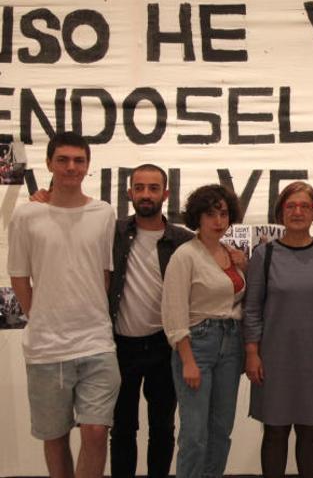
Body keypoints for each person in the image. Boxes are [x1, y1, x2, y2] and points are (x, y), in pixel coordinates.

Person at [8, 131, 119, 478]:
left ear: (87, 166)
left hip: (97, 343)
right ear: (49, 164)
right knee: (54, 437)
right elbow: (19, 277)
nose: (72, 167)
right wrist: (39, 317)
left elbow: (104, 273)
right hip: (46, 348)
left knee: (97, 432)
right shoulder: (27, 216)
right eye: (63, 160)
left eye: (79, 161)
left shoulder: (103, 213)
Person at [243, 181, 313, 478]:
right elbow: (251, 308)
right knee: (274, 431)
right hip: (274, 358)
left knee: (309, 431)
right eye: (290, 206)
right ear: (280, 213)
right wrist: (252, 352)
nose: (297, 211)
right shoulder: (264, 256)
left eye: (304, 206)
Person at [108, 165, 193, 478]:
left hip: (164, 346)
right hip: (119, 345)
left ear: (165, 194)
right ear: (129, 193)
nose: (146, 194)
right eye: (139, 187)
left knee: (162, 428)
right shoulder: (112, 232)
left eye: (153, 188)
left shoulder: (183, 240)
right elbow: (71, 218)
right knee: (122, 429)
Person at [161, 184, 246, 478]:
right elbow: (173, 312)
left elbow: (238, 300)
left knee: (221, 430)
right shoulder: (185, 255)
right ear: (198, 217)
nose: (218, 221)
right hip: (197, 345)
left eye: (223, 213)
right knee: (195, 434)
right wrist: (187, 360)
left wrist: (244, 266)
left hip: (231, 343)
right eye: (210, 214)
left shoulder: (232, 254)